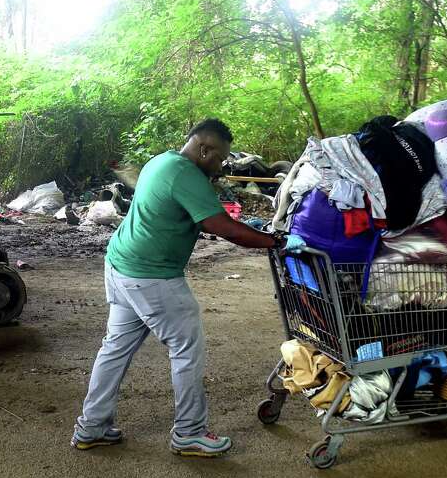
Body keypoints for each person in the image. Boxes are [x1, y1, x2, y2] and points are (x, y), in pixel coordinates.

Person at [71, 119, 305, 457]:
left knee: (115, 349)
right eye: (220, 157)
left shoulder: (162, 161)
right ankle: (189, 432)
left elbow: (205, 217)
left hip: (122, 265)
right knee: (186, 350)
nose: (222, 165)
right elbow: (223, 228)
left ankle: (91, 427)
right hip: (152, 276)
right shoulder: (187, 174)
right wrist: (275, 241)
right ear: (203, 149)